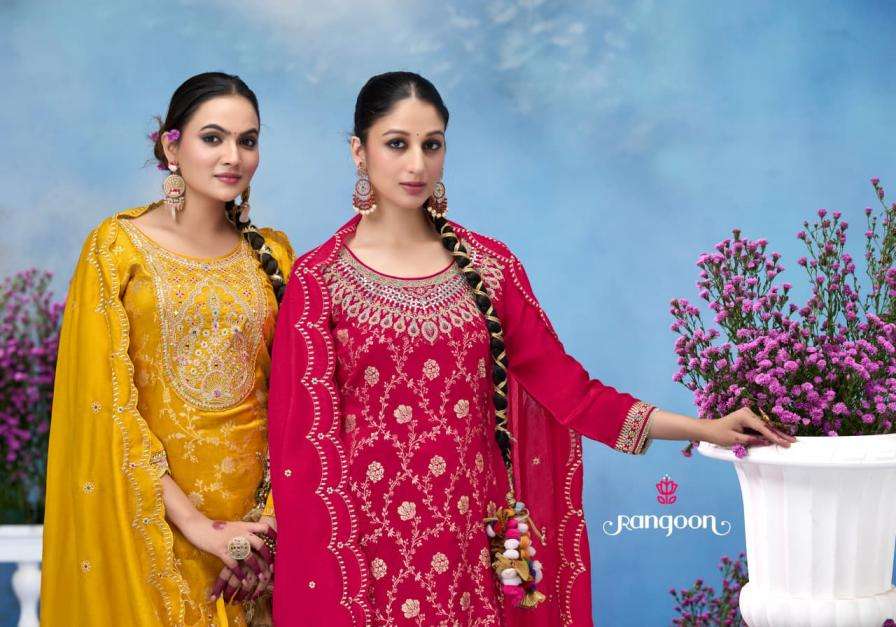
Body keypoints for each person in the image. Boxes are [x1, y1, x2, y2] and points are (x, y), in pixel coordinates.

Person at [267, 71, 795, 626]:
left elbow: (572, 393)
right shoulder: (320, 280)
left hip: (470, 551)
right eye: (397, 144)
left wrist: (704, 428)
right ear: (359, 151)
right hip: (363, 561)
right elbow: (301, 449)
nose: (417, 165)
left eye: (432, 145)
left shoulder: (491, 269)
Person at [42, 72, 293, 626]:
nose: (233, 156)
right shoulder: (117, 248)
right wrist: (200, 528)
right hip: (151, 528)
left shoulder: (273, 256)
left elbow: (297, 403)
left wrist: (267, 533)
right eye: (213, 137)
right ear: (171, 147)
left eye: (248, 140)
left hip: (256, 548)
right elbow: (107, 407)